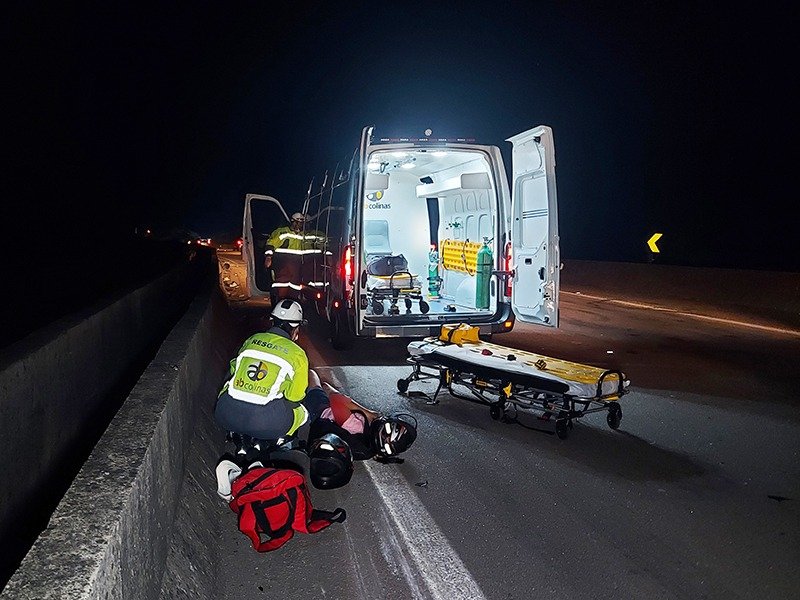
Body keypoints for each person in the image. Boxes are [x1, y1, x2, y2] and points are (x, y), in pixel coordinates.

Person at [214, 299, 325, 455]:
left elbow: (233, 370)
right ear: (295, 329)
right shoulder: (297, 353)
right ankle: (280, 443)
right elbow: (296, 397)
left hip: (224, 414)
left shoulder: (251, 340)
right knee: (303, 413)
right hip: (267, 423)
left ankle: (238, 436)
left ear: (272, 321)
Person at [263, 212, 327, 305]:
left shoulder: (304, 235)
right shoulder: (282, 232)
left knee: (294, 292)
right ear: (292, 221)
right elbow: (271, 244)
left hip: (296, 271)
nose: (299, 225)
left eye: (302, 223)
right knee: (279, 291)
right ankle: (277, 311)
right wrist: (268, 257)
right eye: (297, 222)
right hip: (281, 268)